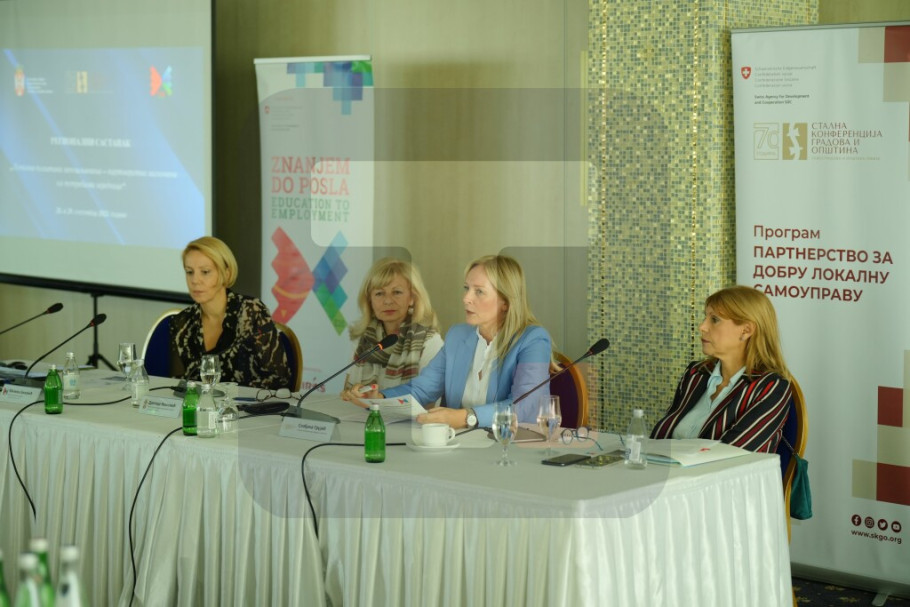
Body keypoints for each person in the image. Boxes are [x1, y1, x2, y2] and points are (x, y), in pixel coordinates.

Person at [344, 254, 551, 429]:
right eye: (466, 288)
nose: (466, 298)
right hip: (458, 445)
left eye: (479, 291)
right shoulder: (458, 336)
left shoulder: (533, 340)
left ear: (505, 301)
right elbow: (422, 390)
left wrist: (466, 417)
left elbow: (525, 407)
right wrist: (380, 397)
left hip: (512, 447)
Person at [650, 285, 793, 453]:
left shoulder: (770, 387)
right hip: (666, 467)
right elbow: (662, 436)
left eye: (714, 320)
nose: (702, 326)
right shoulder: (696, 373)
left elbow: (731, 454)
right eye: (705, 317)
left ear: (746, 330)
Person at [170, 236, 291, 390]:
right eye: (189, 272)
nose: (195, 280)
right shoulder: (182, 322)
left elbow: (279, 379)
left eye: (205, 272)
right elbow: (177, 385)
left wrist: (228, 396)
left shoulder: (251, 313)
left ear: (226, 274)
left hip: (249, 404)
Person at [342, 258, 444, 392]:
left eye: (397, 292)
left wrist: (381, 400)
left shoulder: (430, 341)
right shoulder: (363, 340)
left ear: (412, 298)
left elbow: (430, 397)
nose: (388, 301)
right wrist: (353, 394)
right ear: (369, 300)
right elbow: (346, 392)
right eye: (379, 293)